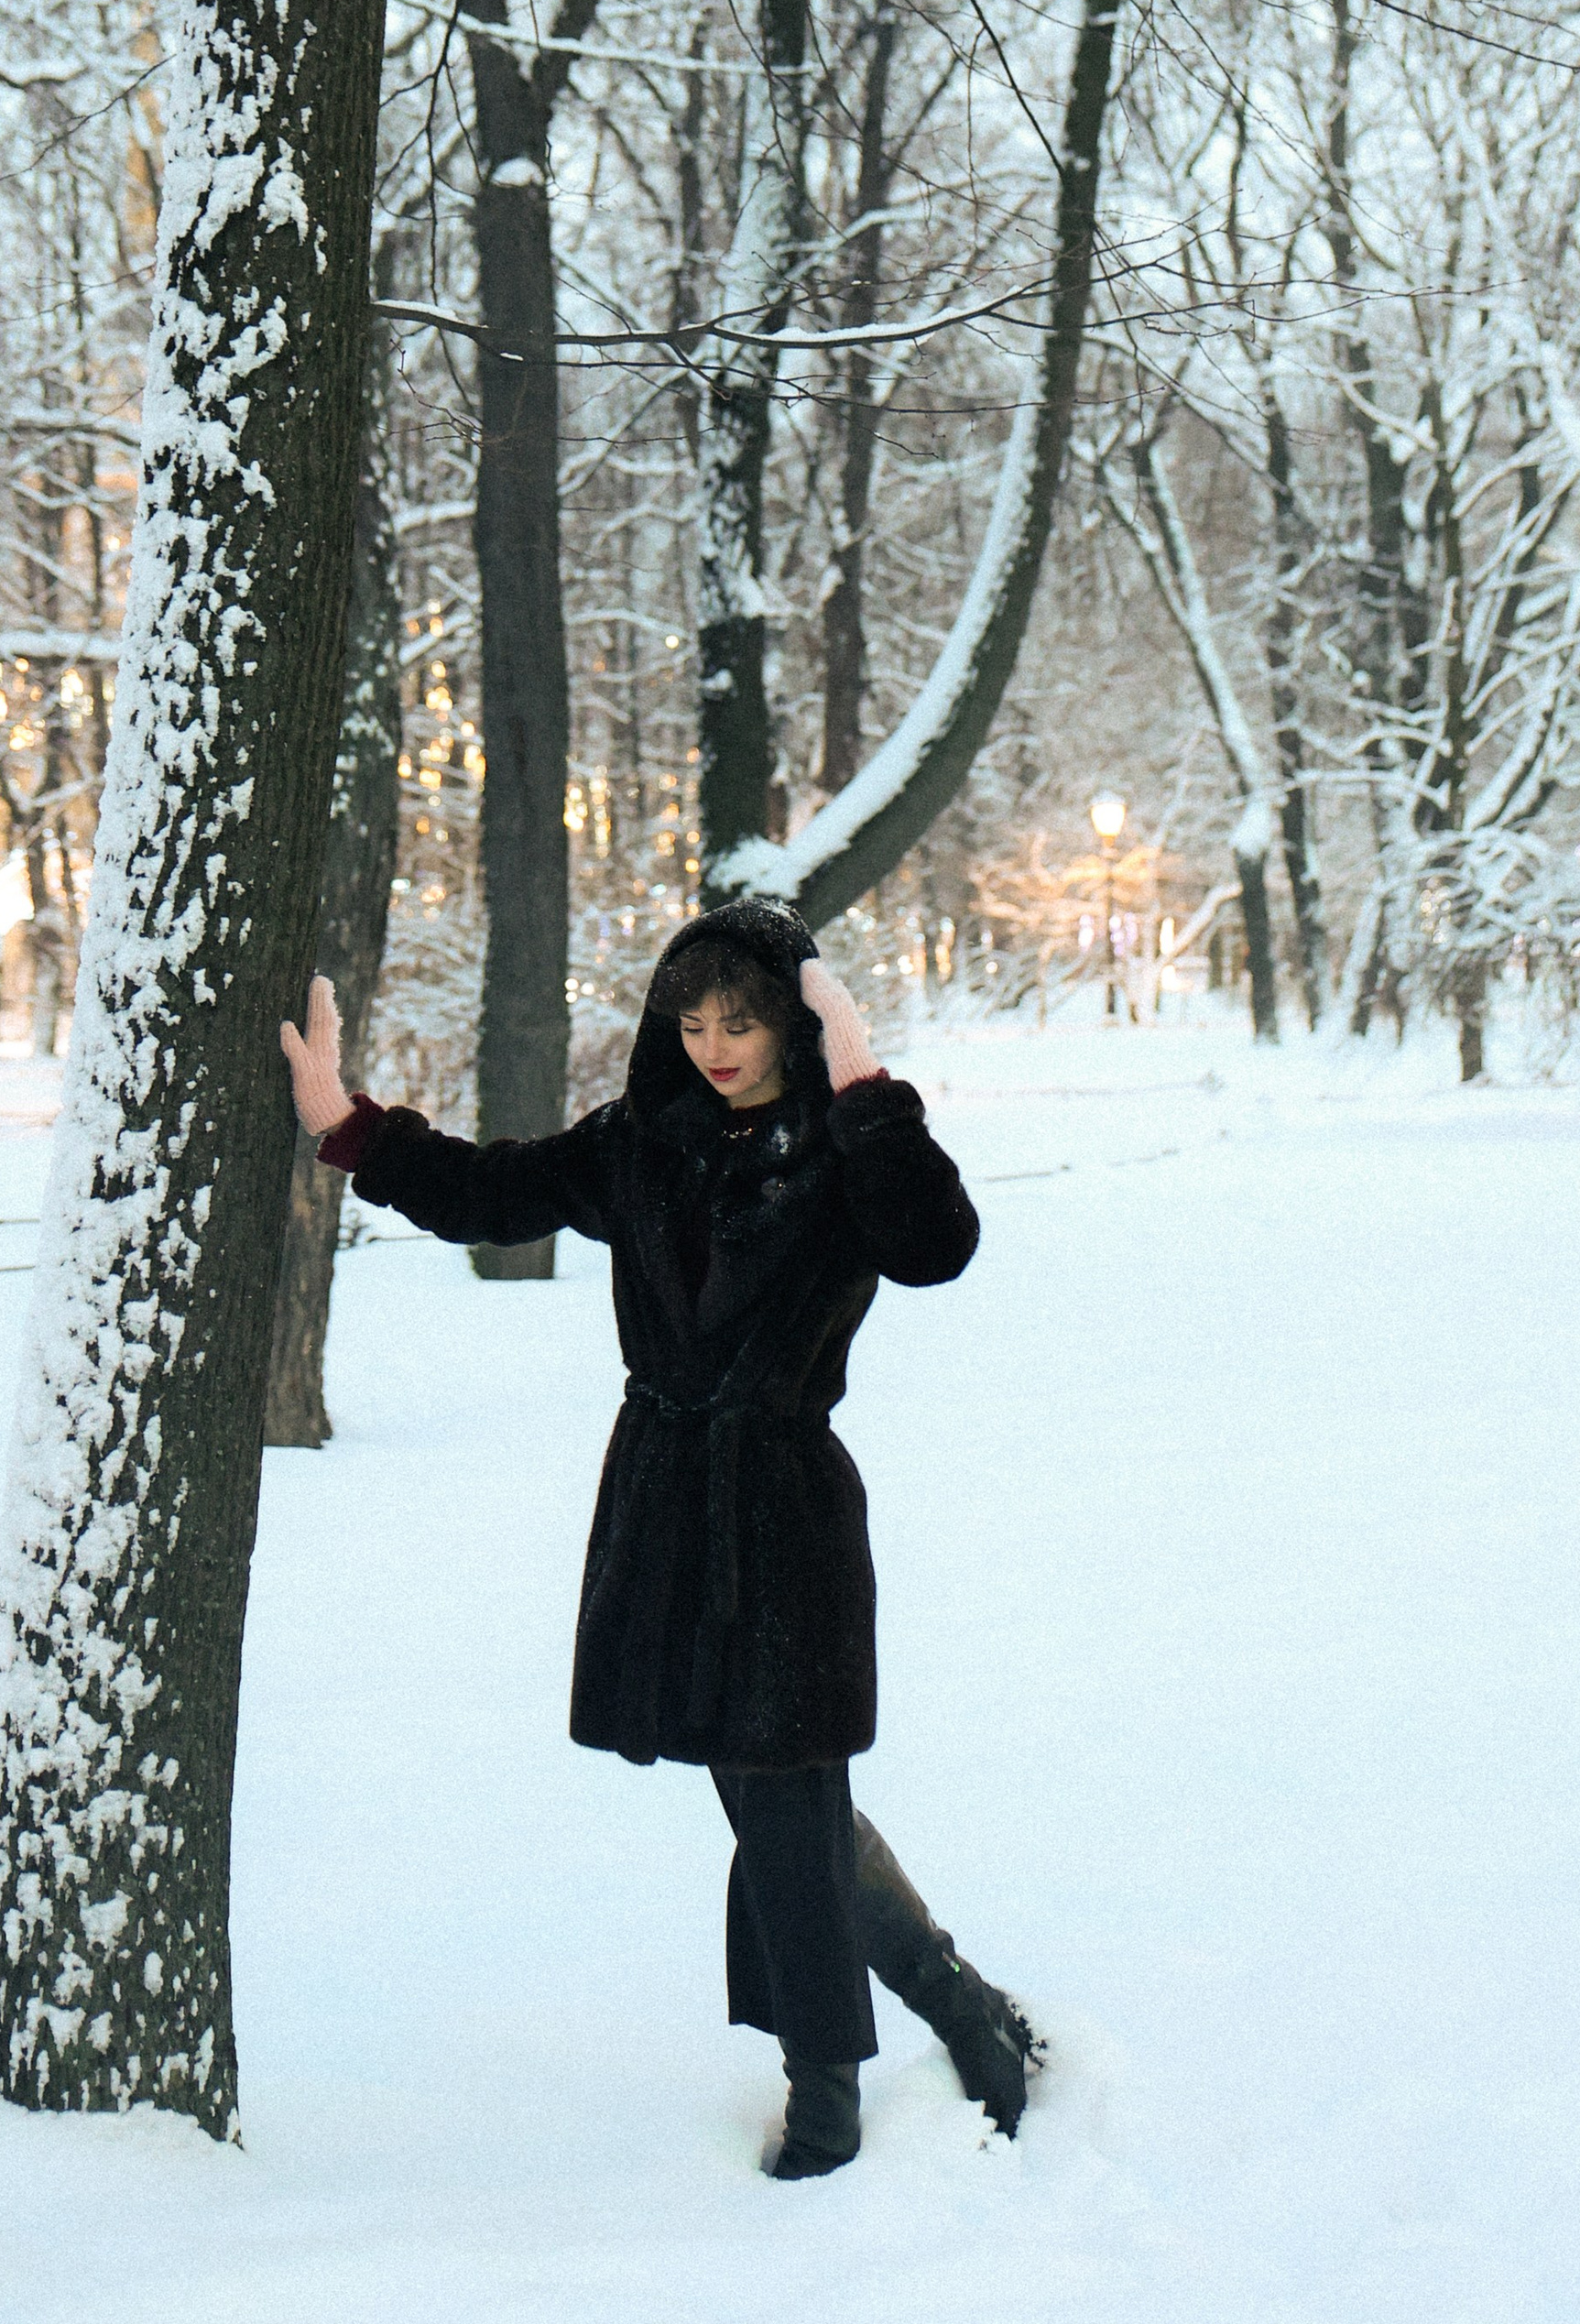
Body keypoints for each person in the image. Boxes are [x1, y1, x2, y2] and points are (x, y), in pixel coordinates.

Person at [280, 891, 1039, 2179]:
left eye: (741, 1018)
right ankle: (962, 2005)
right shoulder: (647, 1141)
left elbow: (939, 1244)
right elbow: (490, 1188)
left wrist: (864, 1085)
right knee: (766, 1793)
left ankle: (830, 2096)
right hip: (669, 1510)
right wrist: (347, 1125)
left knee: (788, 1797)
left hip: (785, 1509)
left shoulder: (843, 1146)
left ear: (795, 1020)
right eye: (691, 1021)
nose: (715, 1045)